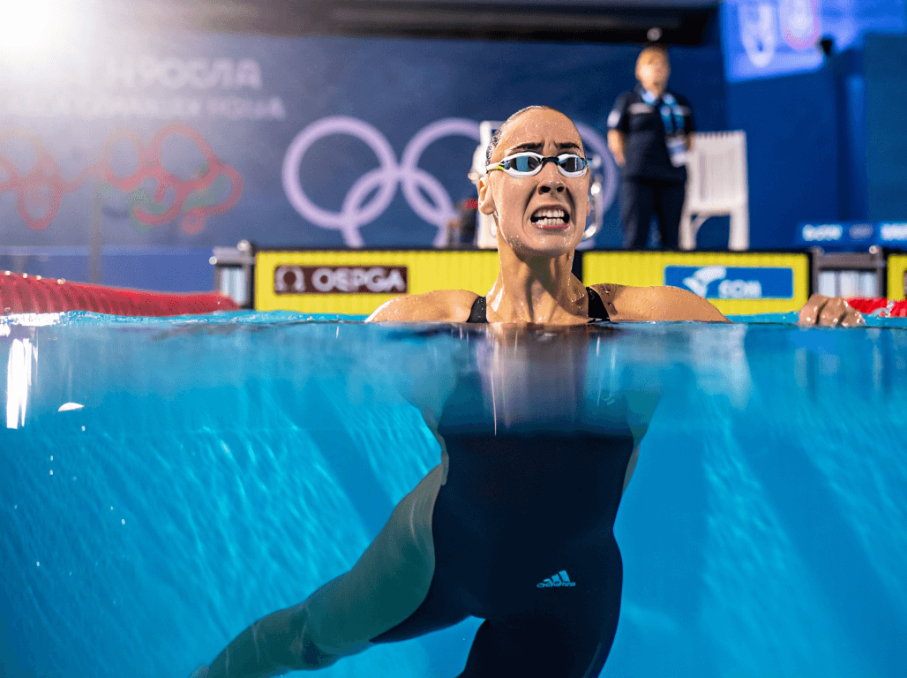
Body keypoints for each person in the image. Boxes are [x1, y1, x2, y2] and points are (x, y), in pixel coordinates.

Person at [190, 105, 861, 678]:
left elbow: (763, 370)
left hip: (569, 589)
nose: (552, 175)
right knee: (308, 638)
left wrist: (816, 330)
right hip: (436, 554)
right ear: (485, 193)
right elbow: (312, 377)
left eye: (571, 161)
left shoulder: (655, 319)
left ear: (590, 193)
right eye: (525, 161)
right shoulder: (425, 324)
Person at [607, 45, 695, 250]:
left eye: (662, 64)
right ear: (639, 71)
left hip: (672, 177)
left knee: (671, 239)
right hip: (639, 177)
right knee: (636, 236)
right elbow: (615, 133)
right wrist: (626, 161)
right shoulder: (629, 100)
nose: (657, 68)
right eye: (650, 64)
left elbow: (690, 136)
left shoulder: (679, 103)